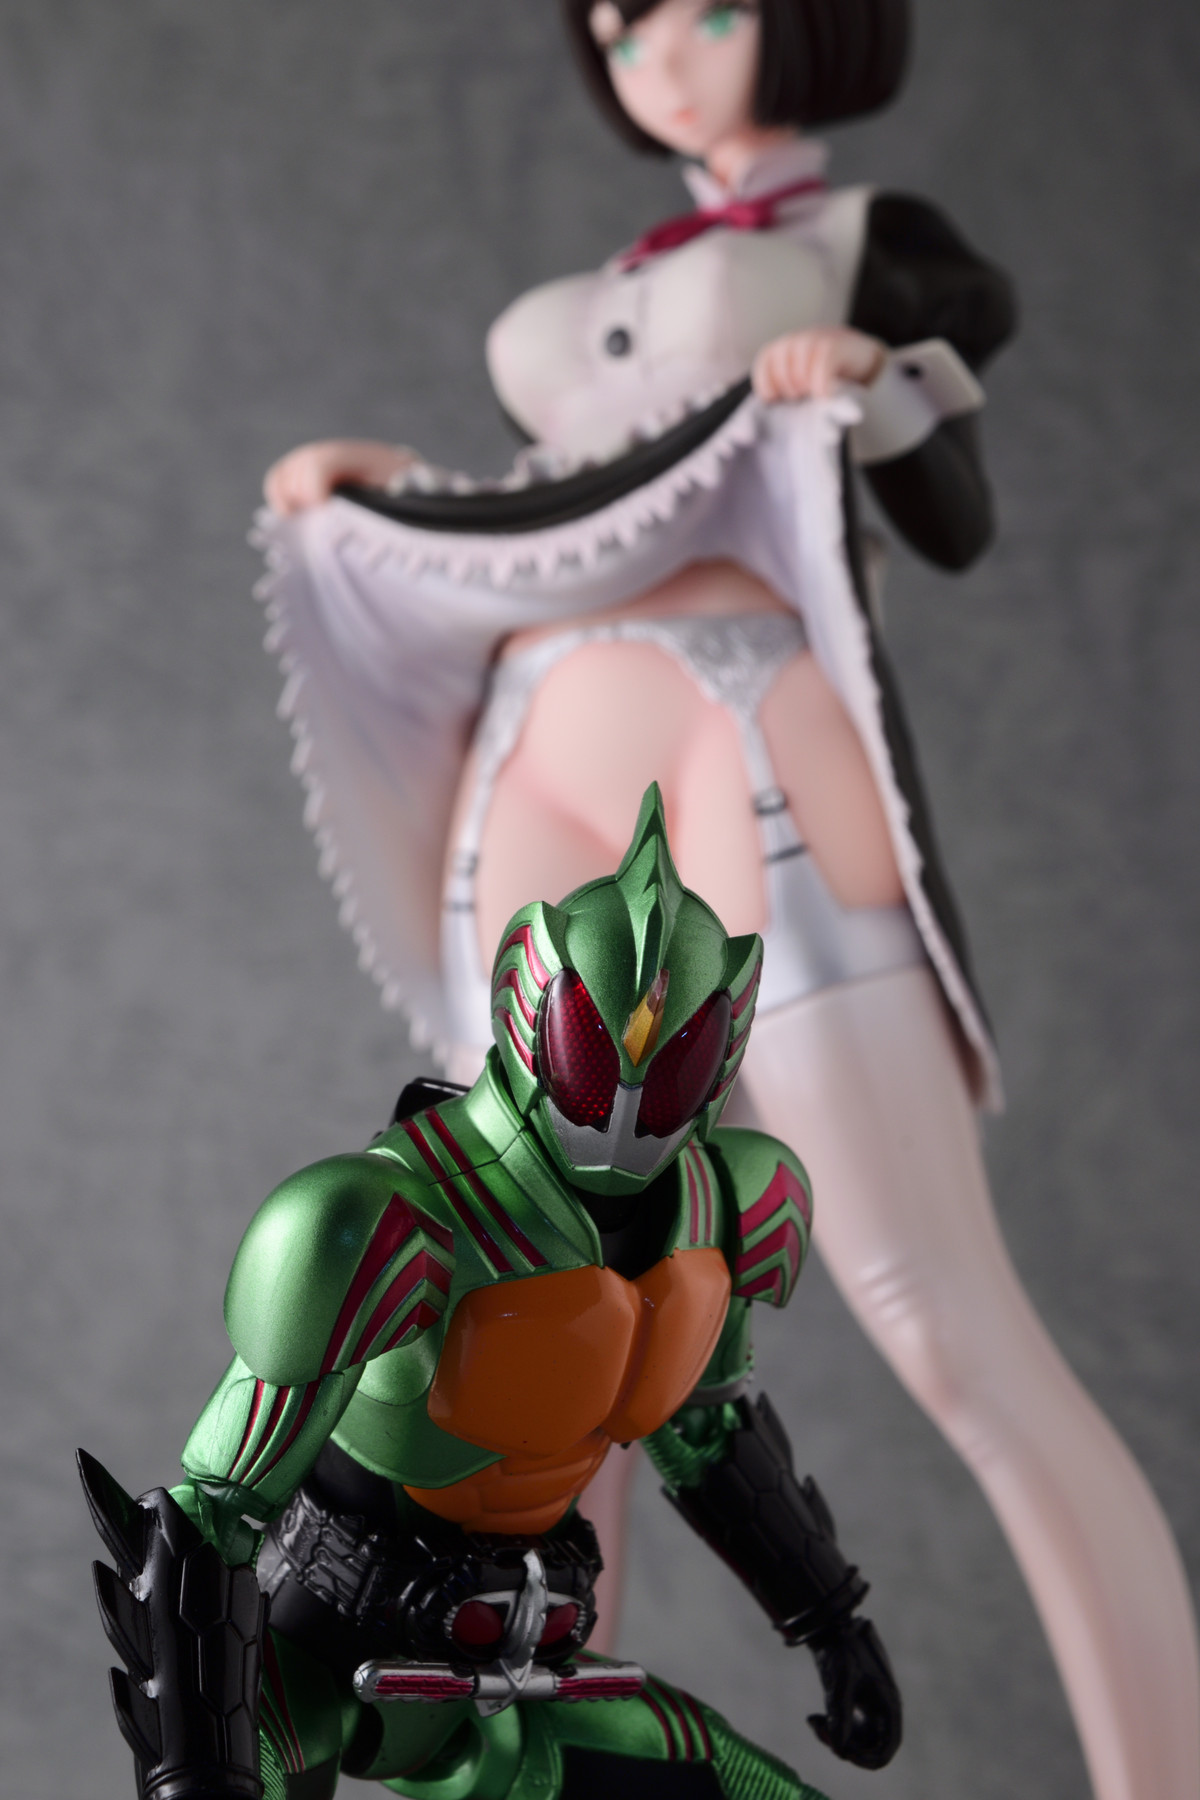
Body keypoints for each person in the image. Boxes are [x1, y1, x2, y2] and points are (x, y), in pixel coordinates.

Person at [259, 4, 1200, 1797]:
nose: (656, 51)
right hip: (533, 756)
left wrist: (871, 384)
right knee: (531, 1324)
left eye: (707, 5)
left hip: (747, 735)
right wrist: (395, 496)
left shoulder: (861, 246)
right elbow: (578, 508)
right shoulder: (612, 288)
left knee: (944, 1318)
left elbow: (948, 514)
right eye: (620, 17)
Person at [81, 789, 902, 1800]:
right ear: (532, 1012)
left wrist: (832, 1621)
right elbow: (212, 1512)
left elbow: (708, 1435)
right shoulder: (386, 1215)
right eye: (597, 1056)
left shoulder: (728, 1206)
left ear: (720, 1049)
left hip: (517, 1686)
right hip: (306, 1670)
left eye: (671, 1062)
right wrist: (199, 1769)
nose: (627, 1104)